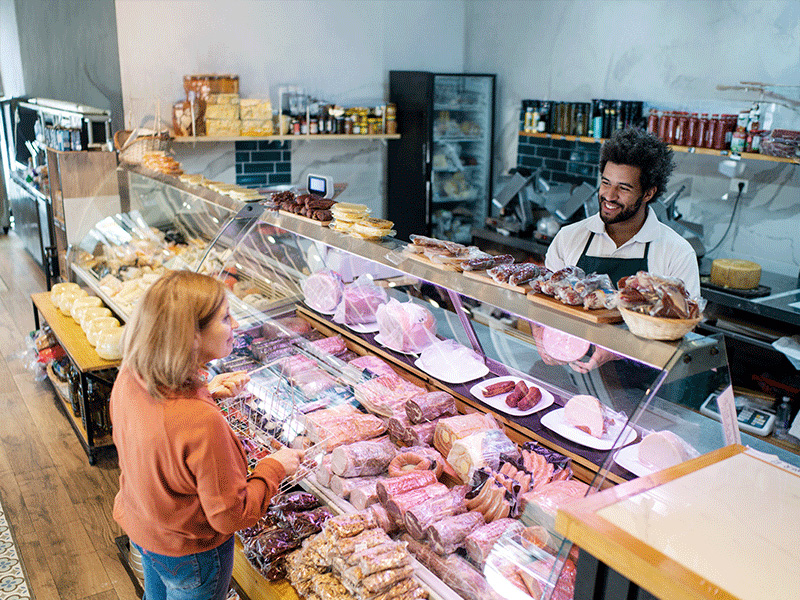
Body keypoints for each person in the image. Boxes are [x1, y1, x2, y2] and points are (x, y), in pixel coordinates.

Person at [110, 270, 304, 600]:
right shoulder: (201, 422)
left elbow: (161, 432)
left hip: (144, 526)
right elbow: (230, 515)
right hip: (193, 552)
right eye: (226, 318)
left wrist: (206, 392)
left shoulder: (132, 373)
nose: (237, 326)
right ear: (193, 336)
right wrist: (275, 467)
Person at [545, 127, 701, 298]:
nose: (610, 196)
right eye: (606, 183)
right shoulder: (568, 238)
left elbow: (684, 320)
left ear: (648, 193)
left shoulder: (677, 253)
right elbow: (543, 307)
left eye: (624, 188)